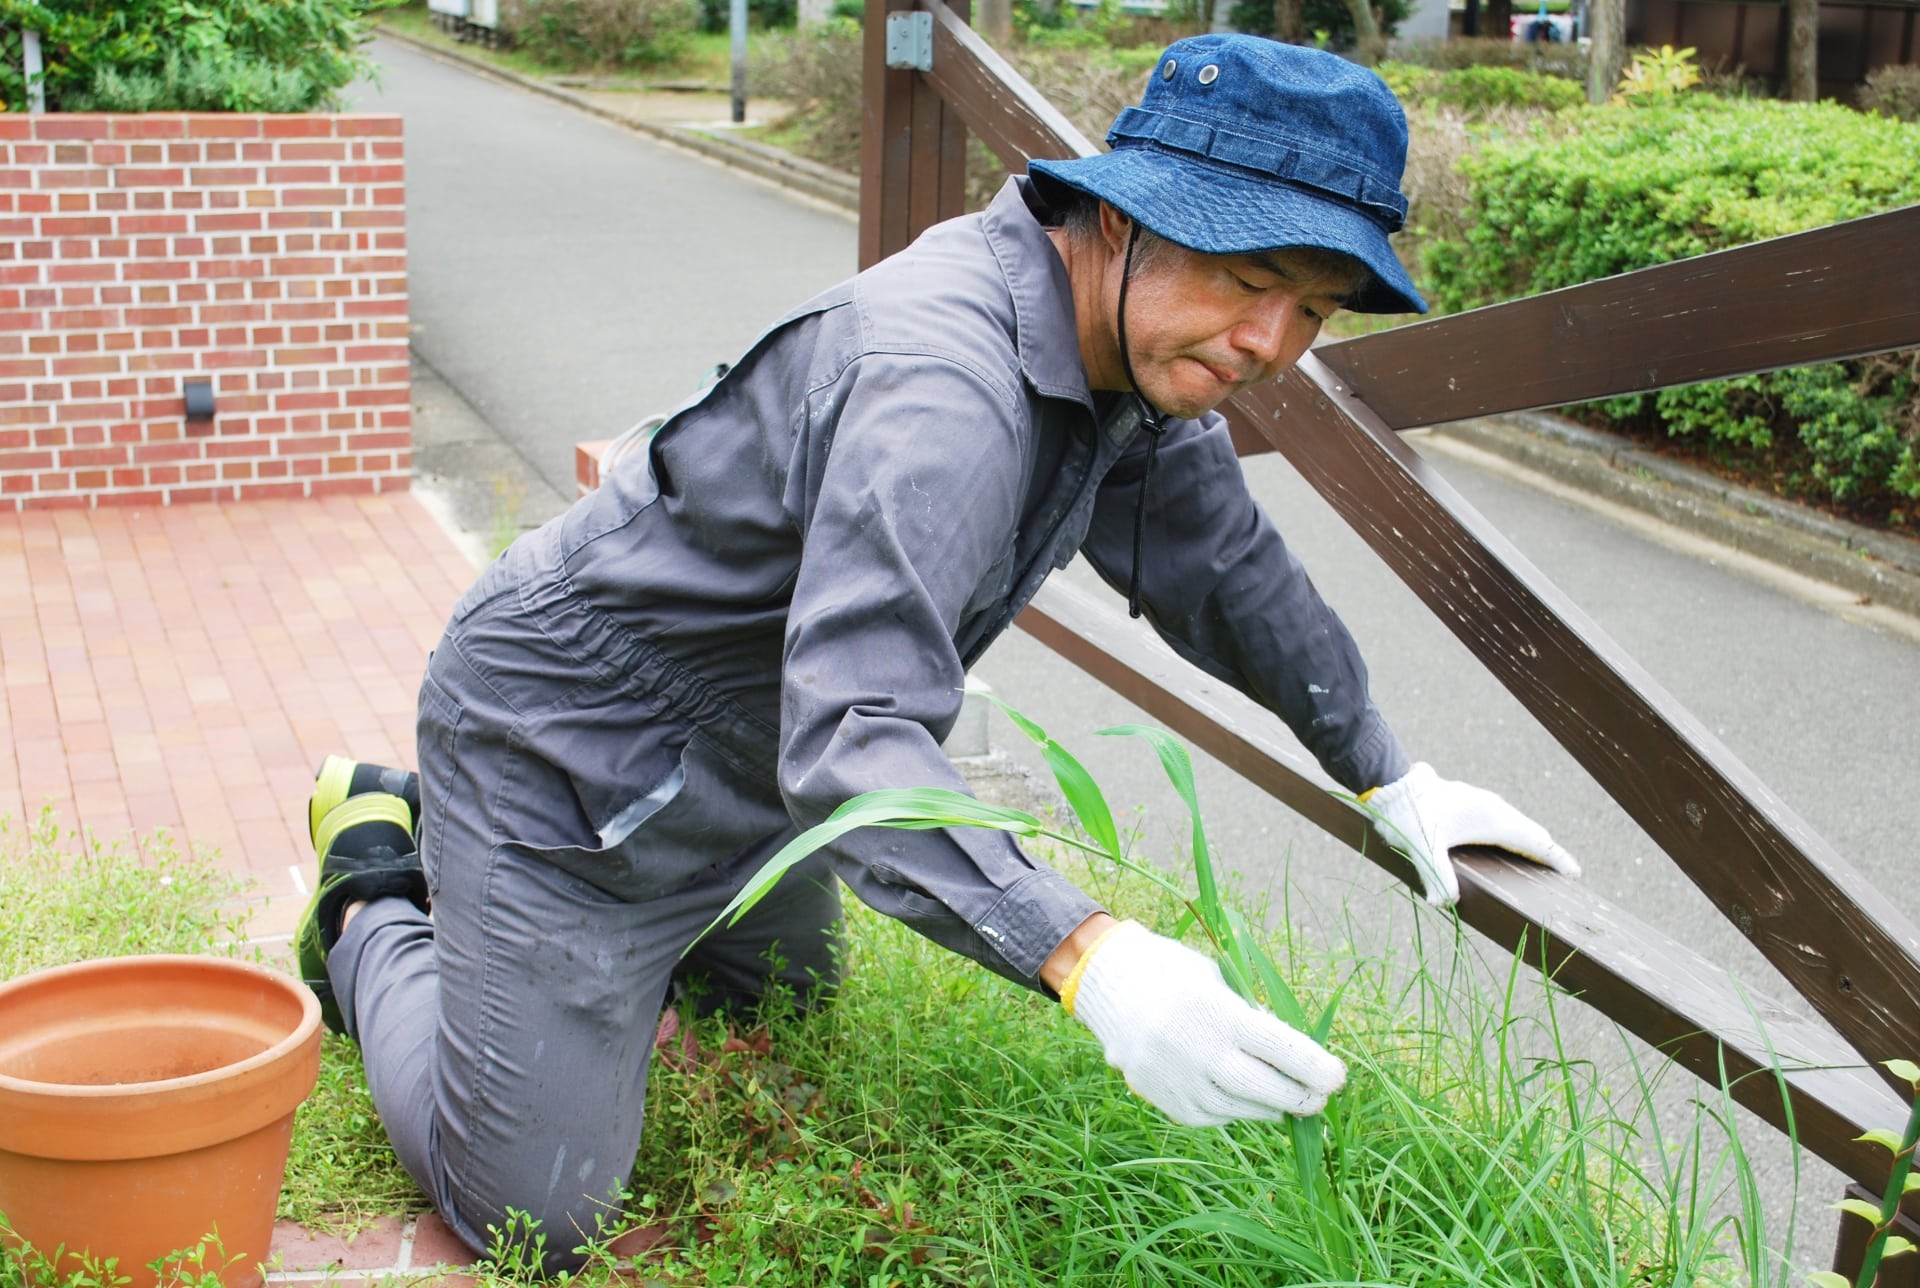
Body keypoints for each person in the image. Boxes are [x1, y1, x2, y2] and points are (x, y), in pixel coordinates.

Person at [295, 33, 1580, 1270]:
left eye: (1312, 308)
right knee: (534, 1207)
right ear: (1123, 222)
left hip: (754, 759)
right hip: (567, 744)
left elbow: (1224, 566)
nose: (1268, 346)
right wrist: (1091, 959)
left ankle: (545, 907)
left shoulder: (1131, 350)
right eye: (1248, 283)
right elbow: (855, 731)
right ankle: (372, 876)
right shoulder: (943, 384)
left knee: (784, 1022)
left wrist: (1385, 771)